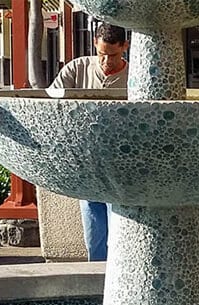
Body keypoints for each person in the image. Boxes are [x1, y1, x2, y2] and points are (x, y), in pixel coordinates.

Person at [50, 24, 129, 261]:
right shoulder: (77, 68)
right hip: (87, 160)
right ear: (95, 44)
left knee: (120, 219)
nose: (106, 61)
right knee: (92, 221)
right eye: (102, 54)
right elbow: (51, 102)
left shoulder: (134, 75)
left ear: (124, 47)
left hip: (122, 161)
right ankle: (96, 270)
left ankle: (120, 268)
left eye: (113, 55)